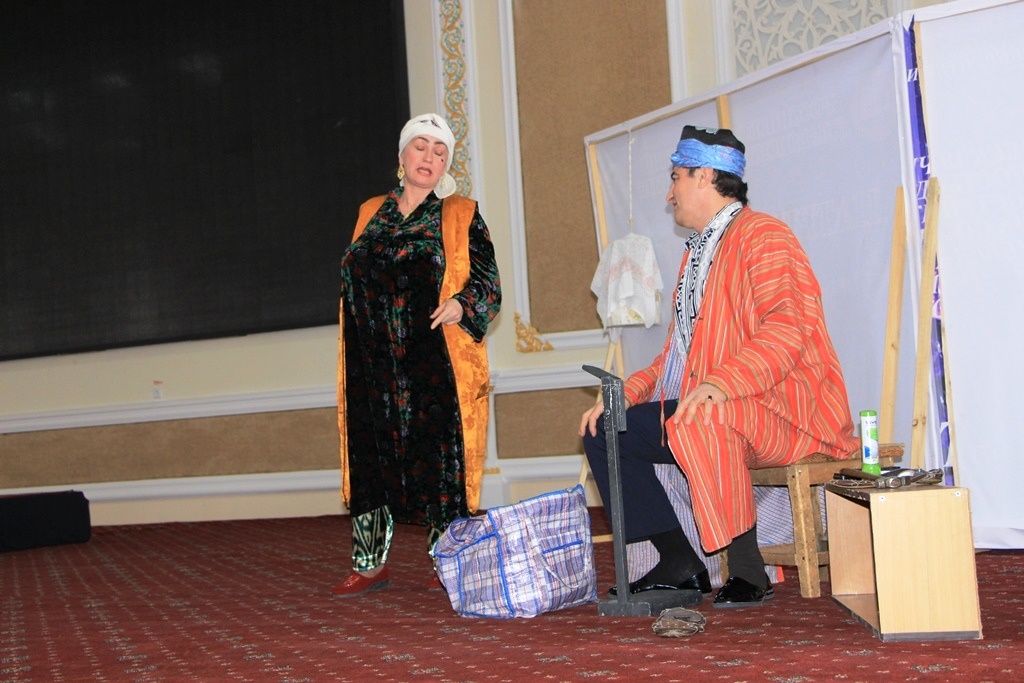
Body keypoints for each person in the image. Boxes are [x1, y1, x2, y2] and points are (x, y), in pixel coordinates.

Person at [579, 125, 858, 608]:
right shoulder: (697, 255)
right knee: (606, 428)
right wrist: (628, 392)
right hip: (720, 402)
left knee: (705, 416)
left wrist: (722, 383)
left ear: (704, 176)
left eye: (675, 178)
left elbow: (789, 326)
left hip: (785, 410)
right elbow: (676, 355)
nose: (669, 194)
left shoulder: (765, 235)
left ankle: (749, 570)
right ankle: (678, 562)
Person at [333, 113, 501, 597]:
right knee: (369, 460)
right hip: (370, 361)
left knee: (439, 461)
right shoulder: (370, 211)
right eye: (421, 147)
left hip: (433, 361)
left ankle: (448, 560)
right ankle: (369, 565)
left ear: (447, 164)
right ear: (402, 155)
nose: (429, 157)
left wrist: (461, 304)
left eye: (439, 151)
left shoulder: (461, 213)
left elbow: (488, 283)